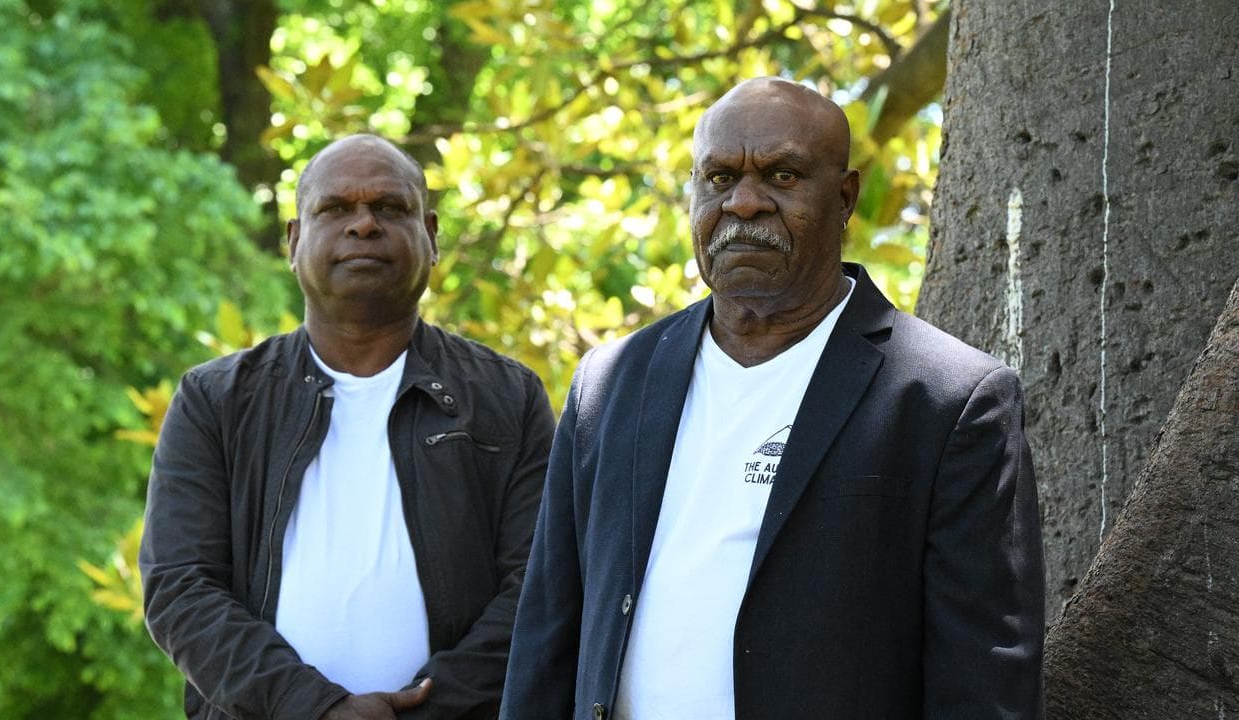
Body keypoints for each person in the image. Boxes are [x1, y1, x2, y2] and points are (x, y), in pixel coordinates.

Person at [501, 77, 1045, 719]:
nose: (745, 204)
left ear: (844, 198)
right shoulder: (612, 382)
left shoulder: (947, 399)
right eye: (720, 178)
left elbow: (982, 679)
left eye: (782, 176)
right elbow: (545, 636)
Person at [140, 134, 556, 720]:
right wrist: (314, 708)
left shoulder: (506, 398)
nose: (363, 225)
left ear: (431, 237)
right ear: (293, 241)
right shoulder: (216, 402)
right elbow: (181, 588)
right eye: (335, 209)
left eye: (389, 208)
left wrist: (422, 712)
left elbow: (540, 586)